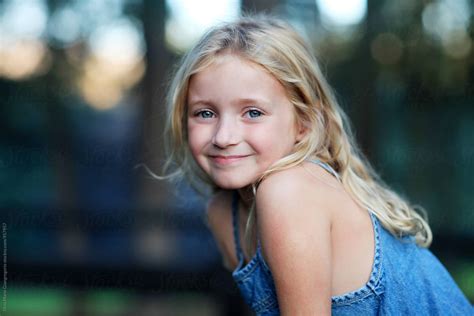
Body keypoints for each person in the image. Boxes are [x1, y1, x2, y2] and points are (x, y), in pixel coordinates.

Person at [161, 15, 473, 315]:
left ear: (304, 124)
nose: (224, 136)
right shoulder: (222, 214)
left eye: (253, 112)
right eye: (205, 113)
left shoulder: (289, 191)